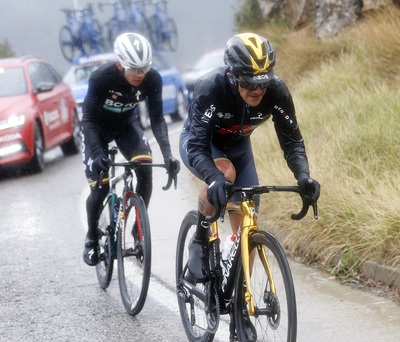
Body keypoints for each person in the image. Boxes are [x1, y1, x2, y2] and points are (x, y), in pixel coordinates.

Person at [179, 32, 320, 282]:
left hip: (238, 146)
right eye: (250, 83)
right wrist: (213, 178)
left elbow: (292, 141)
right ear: (233, 76)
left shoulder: (276, 92)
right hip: (201, 145)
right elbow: (197, 146)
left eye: (263, 83)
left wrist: (303, 175)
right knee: (224, 175)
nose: (258, 90)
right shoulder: (211, 87)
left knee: (249, 218)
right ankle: (199, 241)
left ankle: (241, 296)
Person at [82, 32, 180, 266]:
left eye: (144, 67)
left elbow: (157, 119)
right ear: (119, 64)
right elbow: (86, 119)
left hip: (126, 125)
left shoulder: (152, 78)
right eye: (134, 69)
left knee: (145, 168)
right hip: (96, 129)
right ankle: (92, 237)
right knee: (100, 188)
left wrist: (167, 154)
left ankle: (138, 228)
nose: (140, 74)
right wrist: (96, 154)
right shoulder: (100, 78)